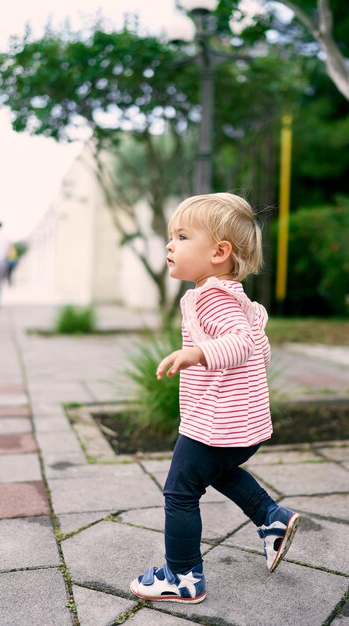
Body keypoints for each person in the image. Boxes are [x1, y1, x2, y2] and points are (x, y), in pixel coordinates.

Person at [130, 192, 300, 604]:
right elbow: (259, 349)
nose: (171, 244)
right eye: (172, 236)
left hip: (216, 423)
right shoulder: (233, 295)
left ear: (220, 252)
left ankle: (183, 575)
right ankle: (271, 519)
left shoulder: (212, 296)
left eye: (183, 236)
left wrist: (198, 353)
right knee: (217, 471)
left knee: (180, 492)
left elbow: (241, 343)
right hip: (242, 427)